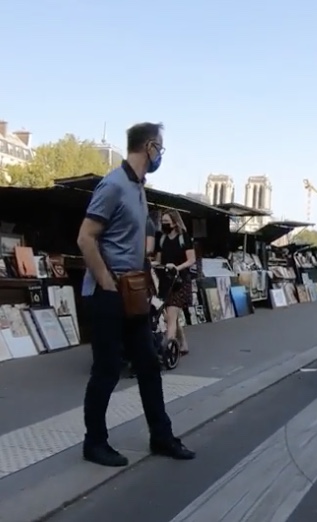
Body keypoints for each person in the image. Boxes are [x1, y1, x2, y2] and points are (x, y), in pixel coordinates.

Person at [77, 122, 194, 467]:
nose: (161, 154)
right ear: (149, 147)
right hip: (110, 293)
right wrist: (107, 282)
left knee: (148, 365)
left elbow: (135, 247)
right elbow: (86, 237)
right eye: (160, 147)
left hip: (135, 291)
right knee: (107, 369)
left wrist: (147, 285)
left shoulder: (138, 188)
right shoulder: (113, 185)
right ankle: (94, 442)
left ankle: (161, 436)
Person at [154, 210, 196, 356]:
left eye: (167, 223)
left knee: (171, 315)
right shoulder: (161, 239)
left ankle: (168, 348)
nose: (165, 225)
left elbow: (191, 259)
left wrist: (176, 268)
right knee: (170, 316)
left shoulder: (184, 238)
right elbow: (159, 261)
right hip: (165, 282)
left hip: (180, 281)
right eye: (163, 223)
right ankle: (183, 344)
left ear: (175, 223)